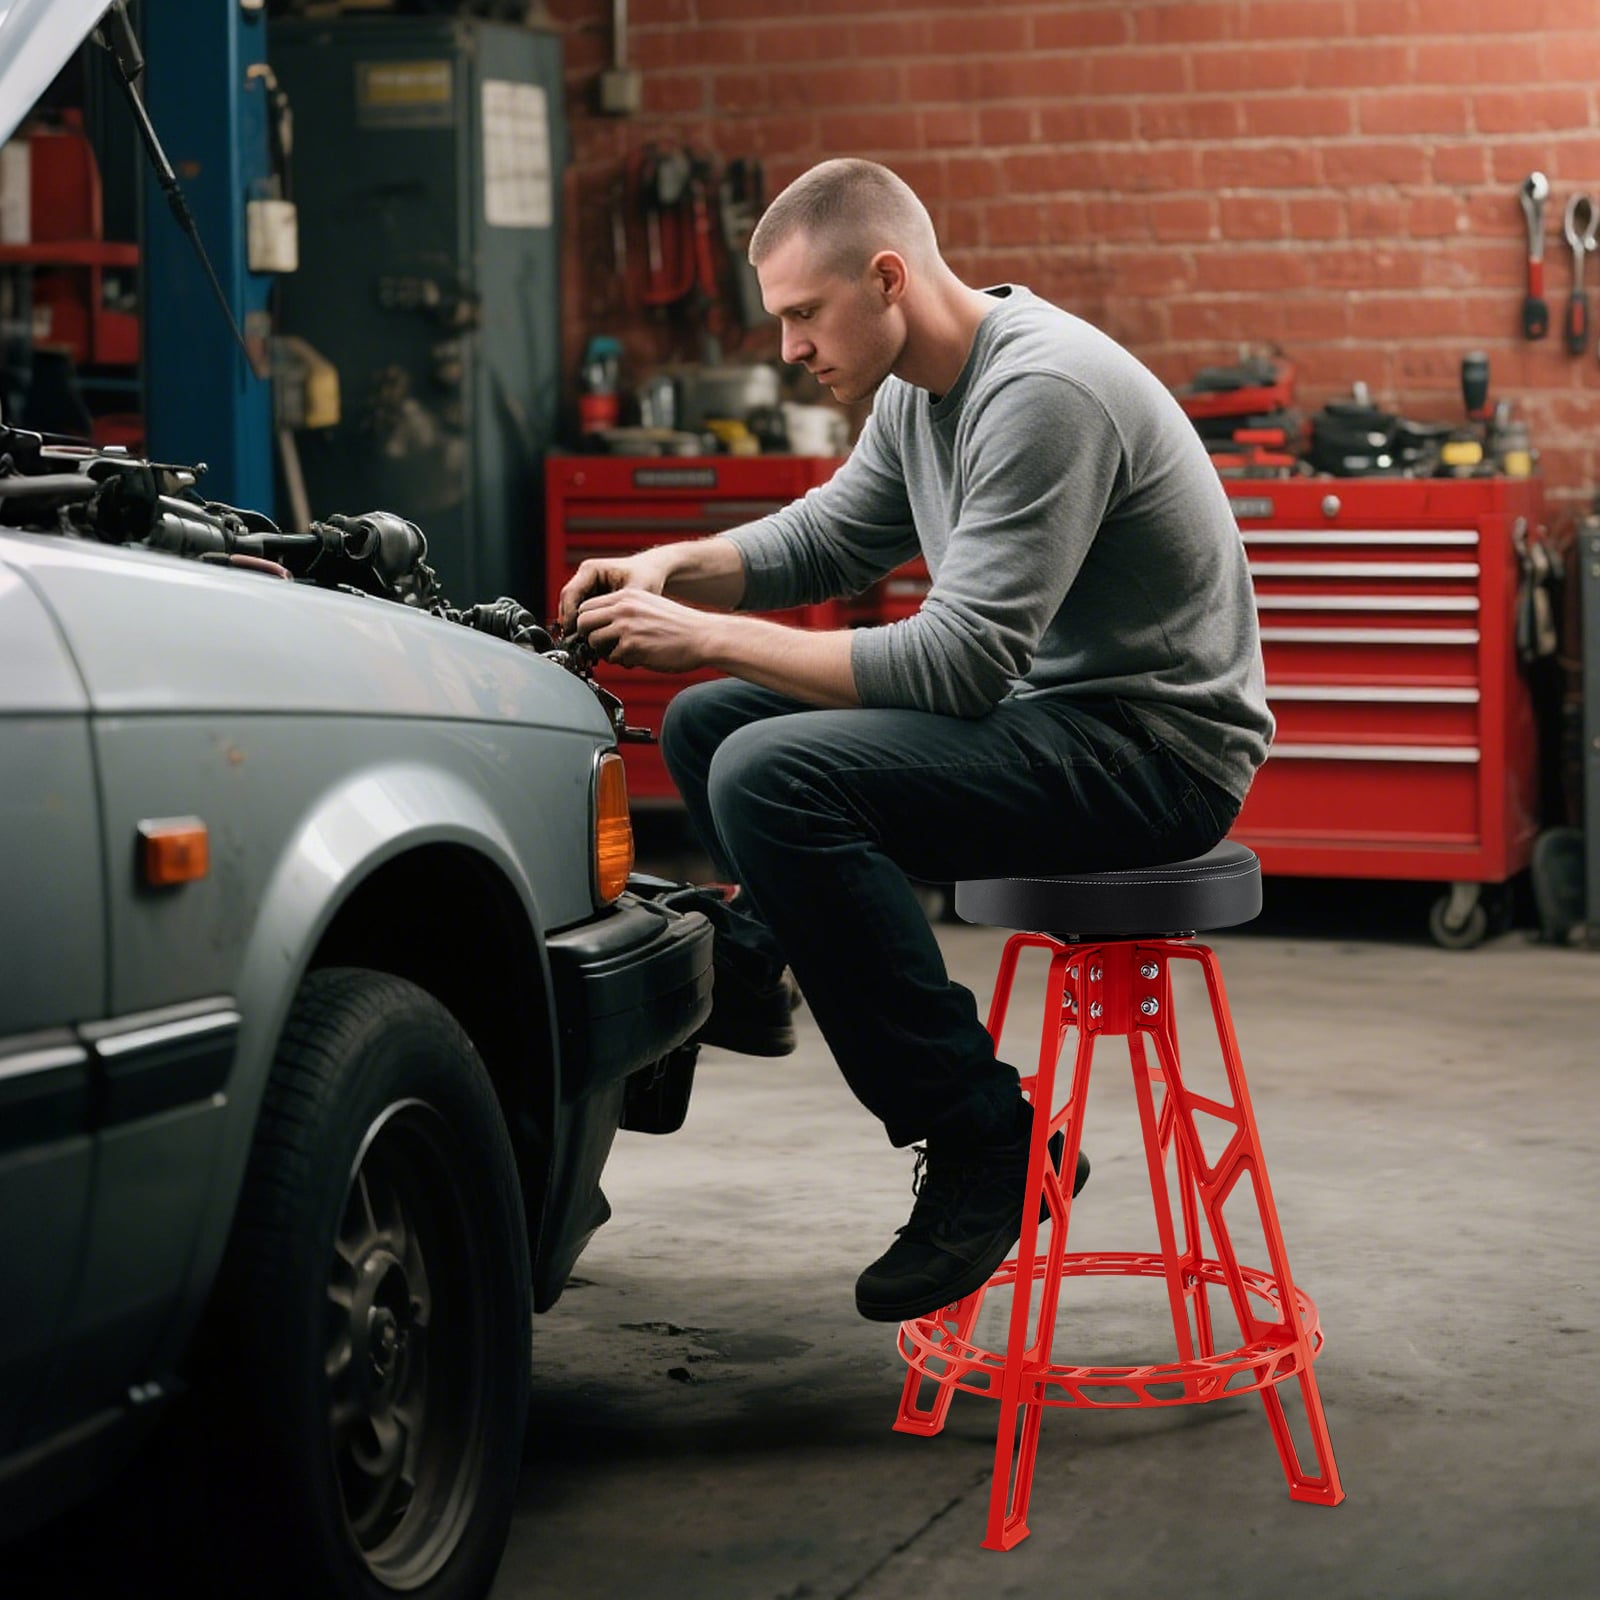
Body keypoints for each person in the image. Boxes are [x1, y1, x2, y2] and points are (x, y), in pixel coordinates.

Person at [558, 158, 1272, 1325]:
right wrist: (669, 568)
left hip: (1157, 755)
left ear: (886, 277)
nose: (788, 347)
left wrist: (705, 631)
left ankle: (985, 1135)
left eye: (801, 315)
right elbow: (829, 541)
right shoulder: (915, 391)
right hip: (1053, 722)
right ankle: (744, 962)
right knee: (712, 718)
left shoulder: (1044, 391)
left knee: (769, 768)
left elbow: (956, 664)